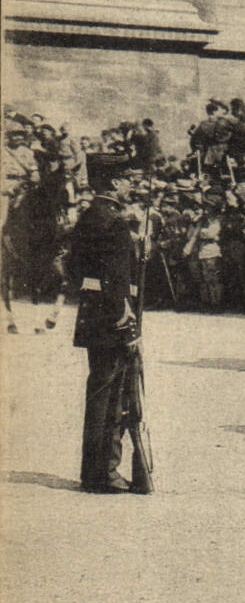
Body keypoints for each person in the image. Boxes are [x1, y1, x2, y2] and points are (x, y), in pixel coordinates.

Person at [65, 153, 145, 493]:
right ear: (113, 183)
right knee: (112, 397)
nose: (132, 183)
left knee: (101, 392)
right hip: (113, 318)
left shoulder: (90, 217)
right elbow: (115, 280)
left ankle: (95, 473)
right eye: (127, 177)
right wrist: (125, 323)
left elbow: (73, 270)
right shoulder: (112, 223)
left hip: (93, 315)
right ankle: (103, 474)